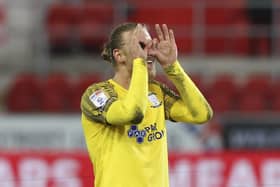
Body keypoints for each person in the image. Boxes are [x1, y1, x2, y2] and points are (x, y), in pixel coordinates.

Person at [80, 23, 213, 187]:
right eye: (141, 46)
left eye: (150, 45)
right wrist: (140, 63)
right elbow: (133, 113)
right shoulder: (97, 95)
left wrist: (173, 68)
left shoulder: (156, 92)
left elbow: (201, 114)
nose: (149, 52)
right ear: (119, 55)